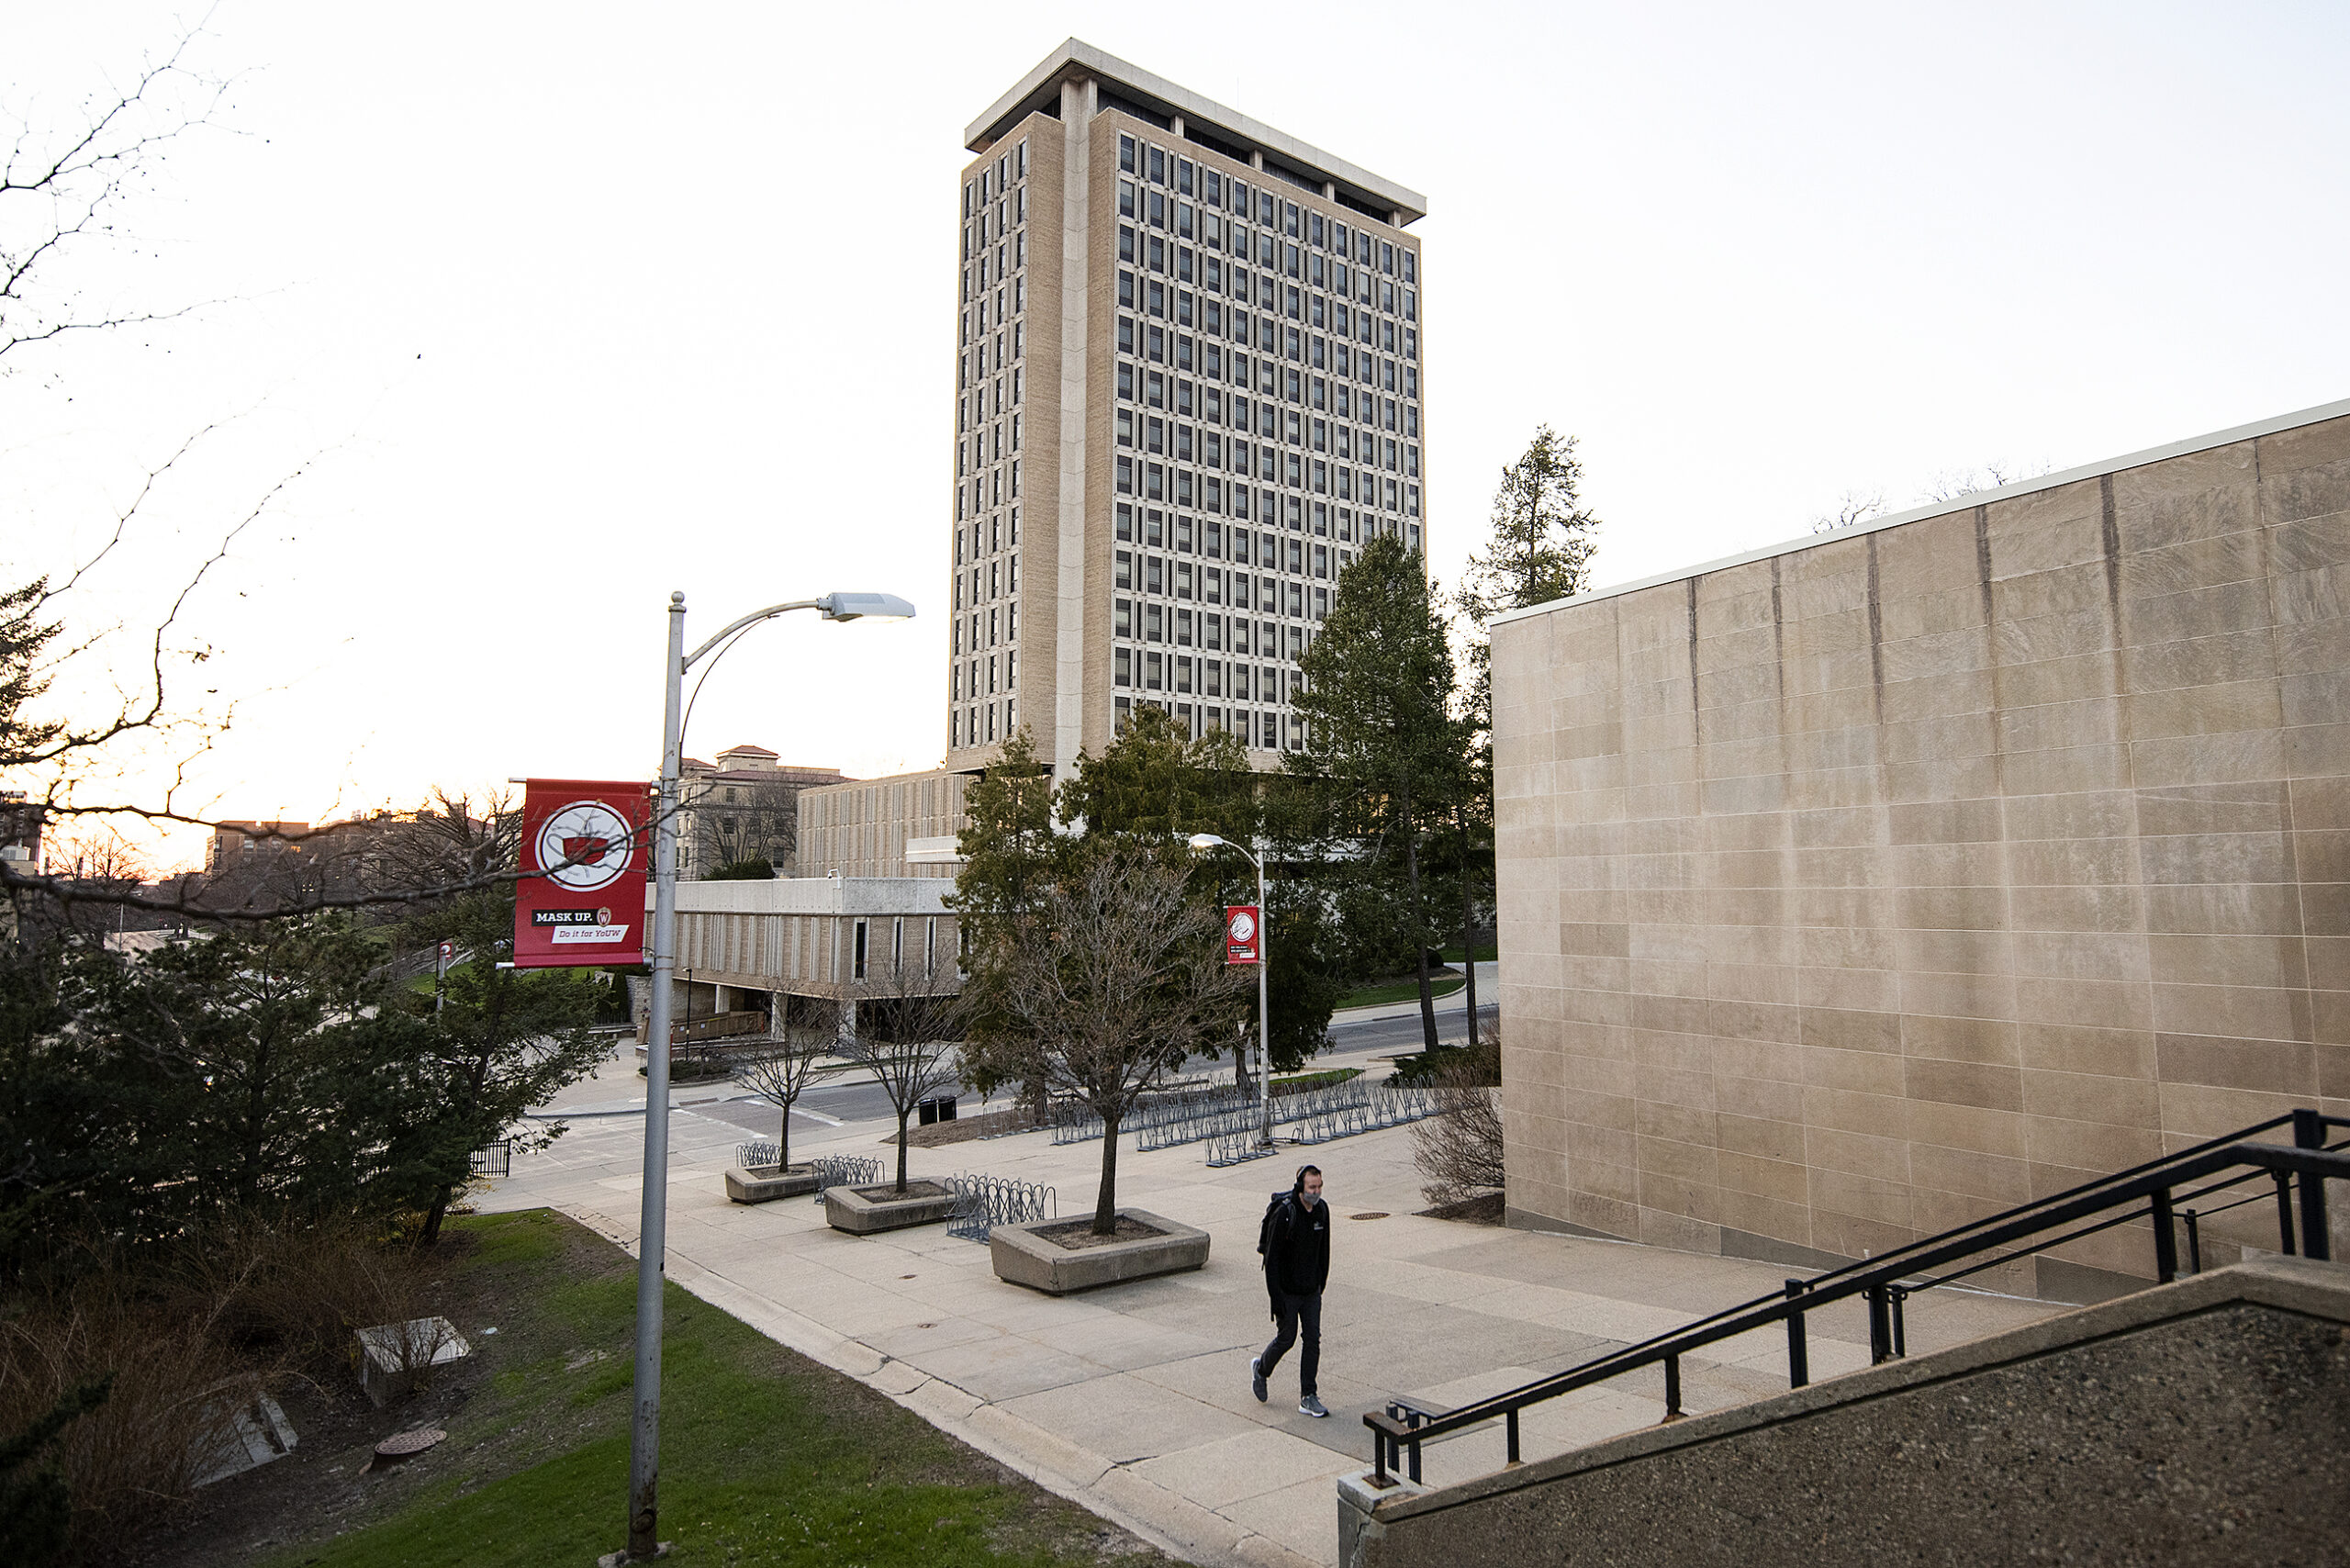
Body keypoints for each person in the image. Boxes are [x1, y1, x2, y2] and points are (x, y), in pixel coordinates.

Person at [1252, 1163, 1331, 1417]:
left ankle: (1308, 1395)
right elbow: (1271, 1259)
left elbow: (1324, 1250)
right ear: (1301, 1187)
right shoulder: (1286, 1213)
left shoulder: (1322, 1211)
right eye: (1311, 1187)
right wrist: (1275, 1298)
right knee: (1287, 1338)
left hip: (1311, 1290)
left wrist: (1321, 1282)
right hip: (1287, 1291)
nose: (1316, 1192)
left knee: (1312, 1340)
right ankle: (1262, 1369)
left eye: (1319, 1186)